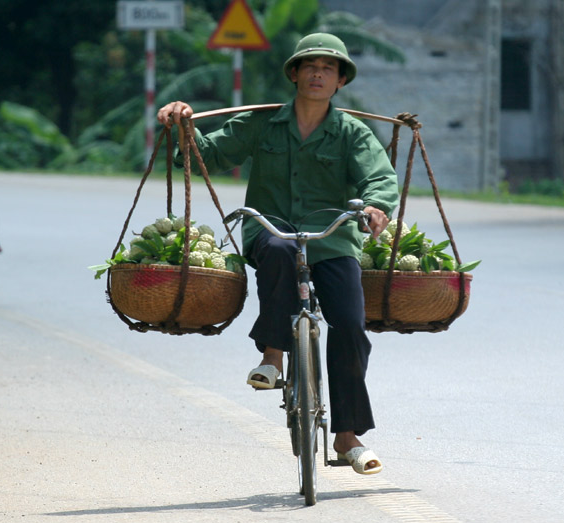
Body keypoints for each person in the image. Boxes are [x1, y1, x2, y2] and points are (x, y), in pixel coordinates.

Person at [157, 33, 399, 475]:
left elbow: (379, 179)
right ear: (294, 73)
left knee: (348, 324)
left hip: (332, 239)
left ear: (340, 80)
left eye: (329, 68)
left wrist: (375, 206)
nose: (318, 74)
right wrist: (183, 125)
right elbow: (206, 154)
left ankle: (348, 437)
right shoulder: (262, 122)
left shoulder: (351, 133)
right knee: (281, 251)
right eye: (310, 66)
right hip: (269, 230)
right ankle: (272, 357)